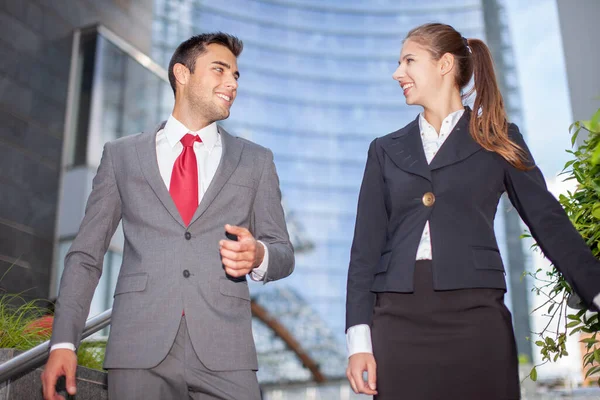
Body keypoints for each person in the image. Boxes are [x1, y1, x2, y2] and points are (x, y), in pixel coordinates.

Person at [345, 22, 600, 399]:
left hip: (476, 315)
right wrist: (358, 342)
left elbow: (548, 222)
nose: (397, 73)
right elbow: (364, 252)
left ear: (444, 64)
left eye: (409, 61)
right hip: (397, 321)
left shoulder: (498, 138)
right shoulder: (384, 150)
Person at [41, 32, 294, 400]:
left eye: (236, 76)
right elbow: (86, 256)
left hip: (226, 352)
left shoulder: (256, 161)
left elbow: (283, 252)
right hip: (138, 347)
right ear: (182, 73)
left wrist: (259, 255)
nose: (231, 83)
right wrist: (63, 341)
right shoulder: (122, 156)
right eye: (220, 70)